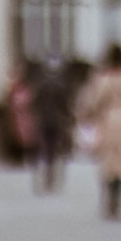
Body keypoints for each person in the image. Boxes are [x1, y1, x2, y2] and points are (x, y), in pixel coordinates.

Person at [79, 45, 121, 220]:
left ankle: (109, 197)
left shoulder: (103, 78)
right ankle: (120, 197)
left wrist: (91, 115)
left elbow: (95, 100)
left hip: (108, 119)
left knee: (109, 159)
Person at [27, 59, 75, 193]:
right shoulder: (61, 84)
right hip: (57, 120)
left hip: (43, 120)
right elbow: (65, 104)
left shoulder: (40, 84)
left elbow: (34, 102)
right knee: (54, 148)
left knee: (44, 148)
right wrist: (68, 117)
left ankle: (46, 174)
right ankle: (51, 175)